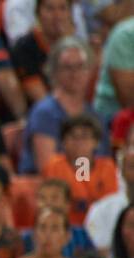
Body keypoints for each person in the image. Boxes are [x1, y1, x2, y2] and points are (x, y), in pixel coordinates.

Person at [21, 36, 99, 175]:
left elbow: (96, 164)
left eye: (80, 66)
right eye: (67, 67)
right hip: (51, 192)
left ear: (89, 71)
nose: (74, 74)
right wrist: (83, 189)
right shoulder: (45, 113)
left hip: (89, 189)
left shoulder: (93, 114)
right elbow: (48, 170)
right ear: (54, 71)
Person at [41, 114, 120, 227]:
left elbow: (110, 206)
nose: (79, 142)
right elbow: (52, 205)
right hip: (64, 228)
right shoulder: (54, 166)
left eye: (85, 136)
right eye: (73, 137)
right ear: (63, 142)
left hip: (101, 228)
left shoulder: (108, 167)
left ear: (96, 142)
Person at [10, 0, 78, 106]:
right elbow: (41, 99)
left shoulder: (76, 47)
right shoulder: (25, 48)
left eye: (63, 9)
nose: (57, 16)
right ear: (38, 13)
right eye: (50, 9)